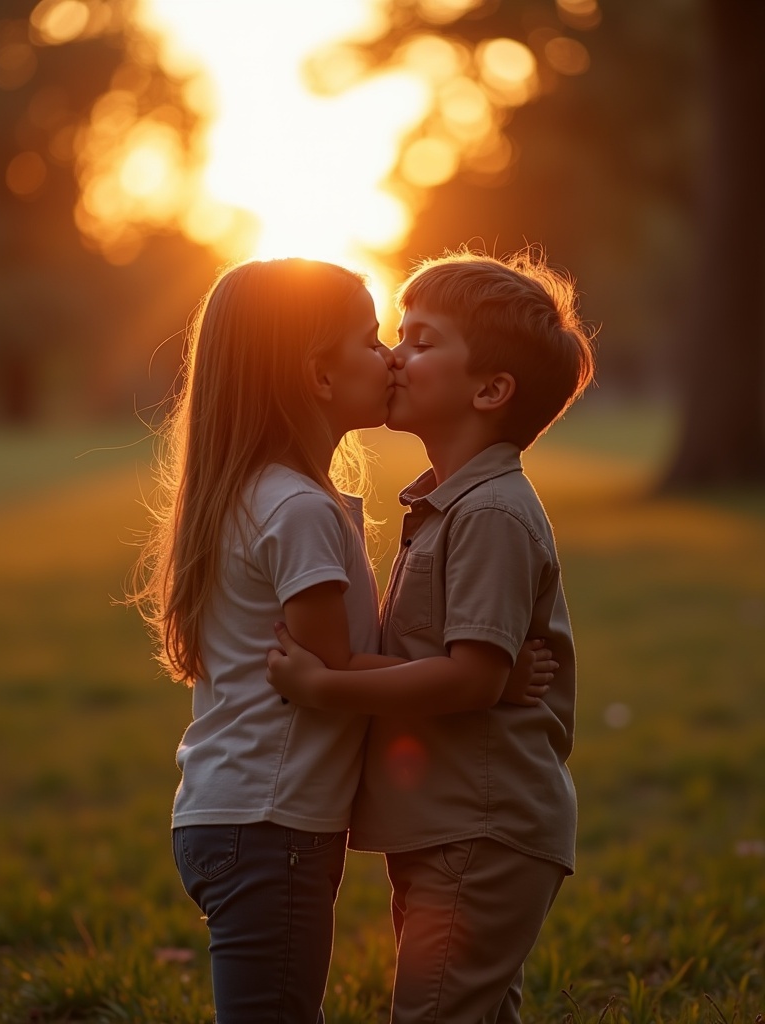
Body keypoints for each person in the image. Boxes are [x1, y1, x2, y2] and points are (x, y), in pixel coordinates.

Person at [128, 255, 553, 1024]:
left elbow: (350, 667)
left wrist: (472, 672)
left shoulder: (275, 497)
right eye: (372, 340)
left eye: (409, 341)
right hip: (269, 819)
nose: (390, 356)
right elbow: (332, 670)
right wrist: (479, 675)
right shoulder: (297, 510)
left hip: (241, 810)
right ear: (319, 378)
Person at [267, 248, 595, 1023]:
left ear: (489, 389)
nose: (394, 357)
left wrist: (326, 686)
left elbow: (470, 678)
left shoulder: (489, 514)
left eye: (420, 340)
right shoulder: (448, 506)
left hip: (482, 826)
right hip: (450, 825)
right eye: (395, 336)